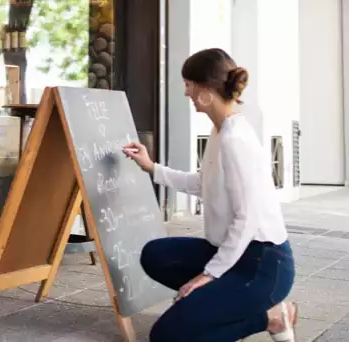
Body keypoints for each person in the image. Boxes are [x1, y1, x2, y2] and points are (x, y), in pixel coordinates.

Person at [123, 48, 297, 342]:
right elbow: (202, 183)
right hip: (234, 252)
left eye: (189, 84)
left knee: (166, 336)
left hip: (262, 264)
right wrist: (150, 167)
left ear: (206, 91)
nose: (186, 92)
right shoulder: (221, 131)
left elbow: (248, 217)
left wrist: (210, 274)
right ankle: (217, 305)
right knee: (155, 255)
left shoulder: (234, 139)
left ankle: (269, 317)